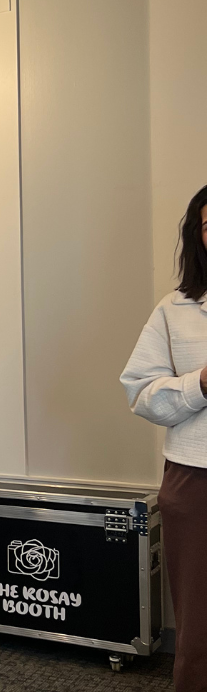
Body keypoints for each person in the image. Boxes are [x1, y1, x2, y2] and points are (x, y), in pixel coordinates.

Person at [121, 184, 207, 692]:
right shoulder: (174, 309)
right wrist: (200, 384)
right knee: (198, 619)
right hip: (195, 480)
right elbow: (140, 392)